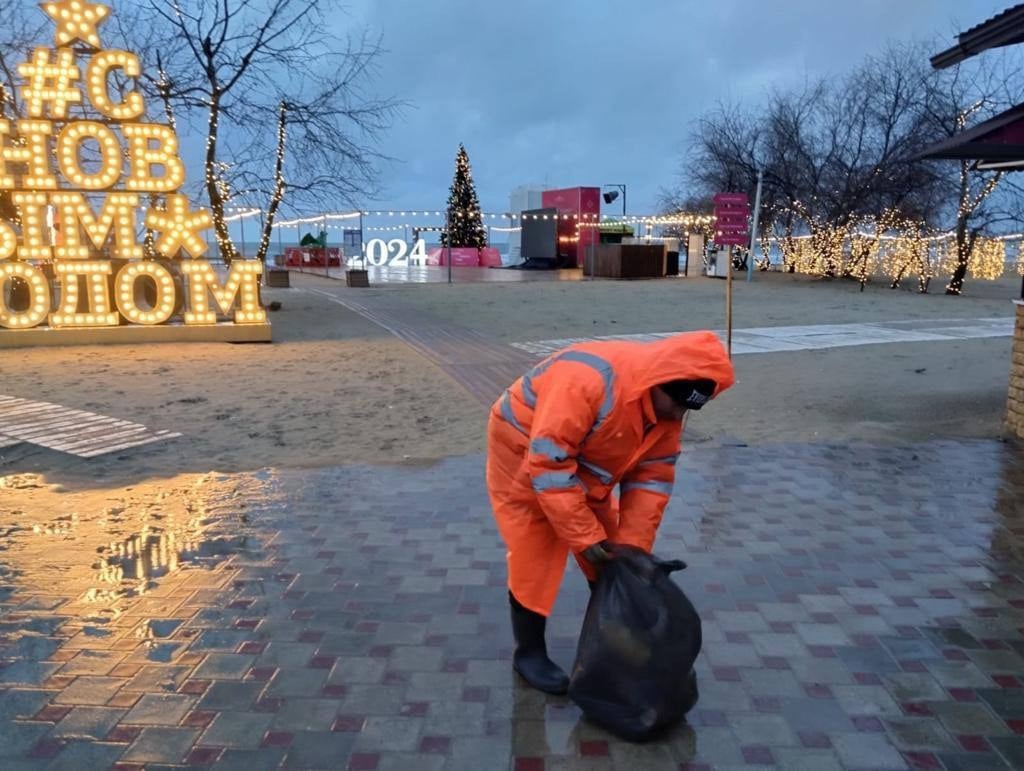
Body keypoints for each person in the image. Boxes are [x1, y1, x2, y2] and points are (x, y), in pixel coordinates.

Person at [486, 331, 735, 694]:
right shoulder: (585, 382)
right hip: (524, 447)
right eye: (677, 404)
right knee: (534, 548)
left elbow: (652, 480)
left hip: (585, 459)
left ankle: (610, 643)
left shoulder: (666, 408)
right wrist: (584, 537)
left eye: (689, 409)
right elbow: (549, 466)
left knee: (610, 559)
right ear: (659, 382)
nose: (679, 416)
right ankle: (528, 653)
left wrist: (632, 554)